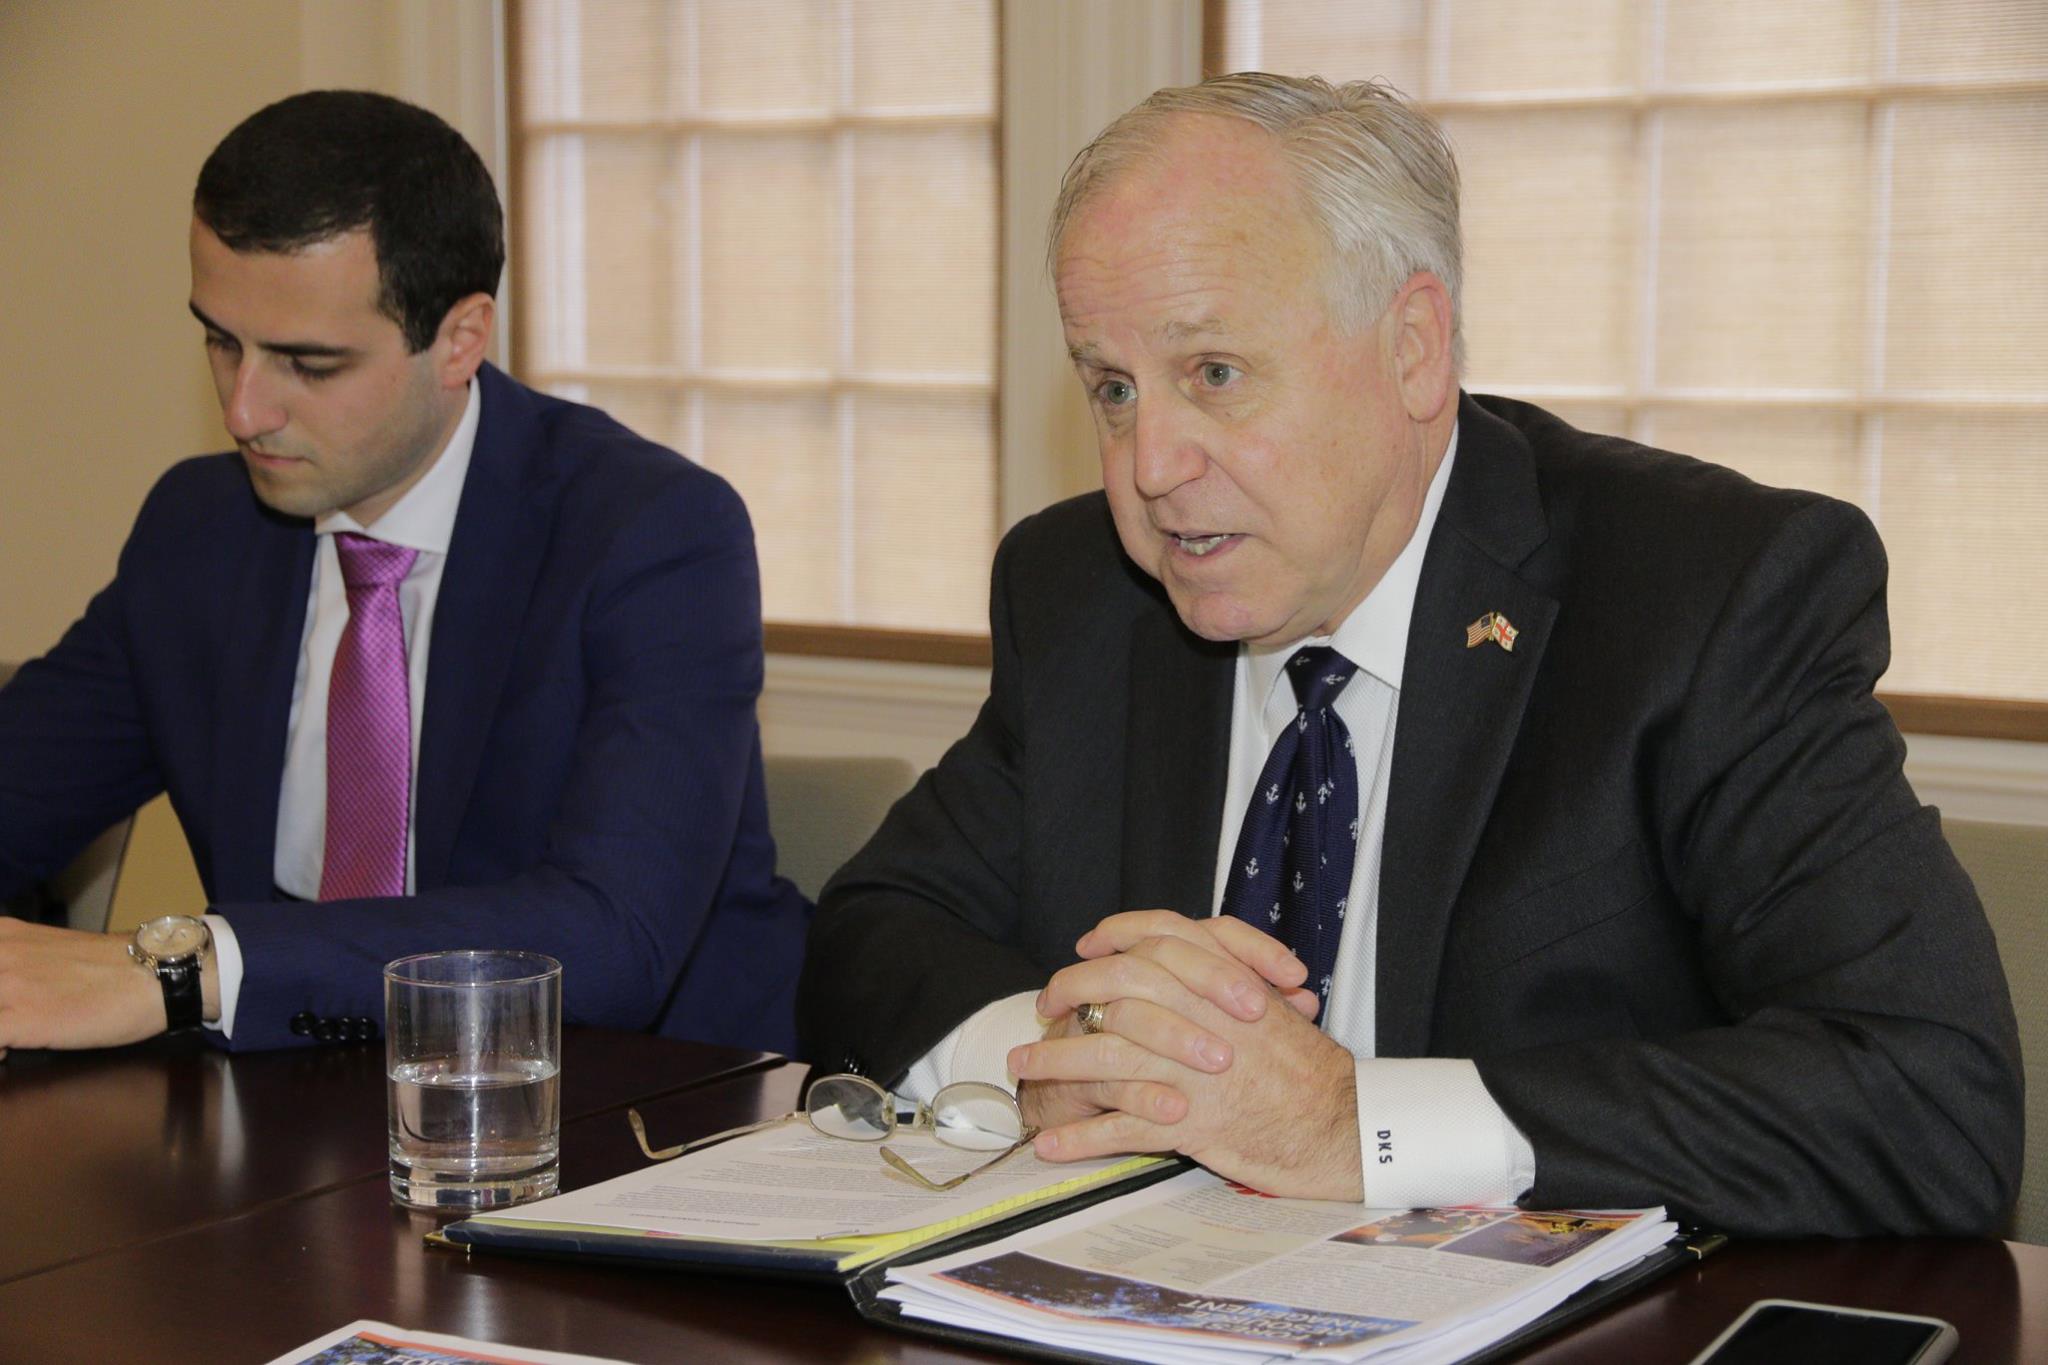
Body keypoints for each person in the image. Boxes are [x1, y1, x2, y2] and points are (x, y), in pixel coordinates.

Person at [797, 73, 2022, 1237]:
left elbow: (1926, 1097)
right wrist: (1060, 1056)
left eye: (1212, 373)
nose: (1150, 466)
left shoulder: (1699, 597)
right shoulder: (1083, 591)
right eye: (1111, 388)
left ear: (1412, 349)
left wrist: (1350, 1126)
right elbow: (874, 929)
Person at [0, 90, 808, 1058]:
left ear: (460, 339)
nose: (244, 410)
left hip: (629, 1100)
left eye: (308, 364)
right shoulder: (202, 531)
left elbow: (610, 937)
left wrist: (190, 968)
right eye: (221, 341)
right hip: (290, 1101)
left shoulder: (650, 534)